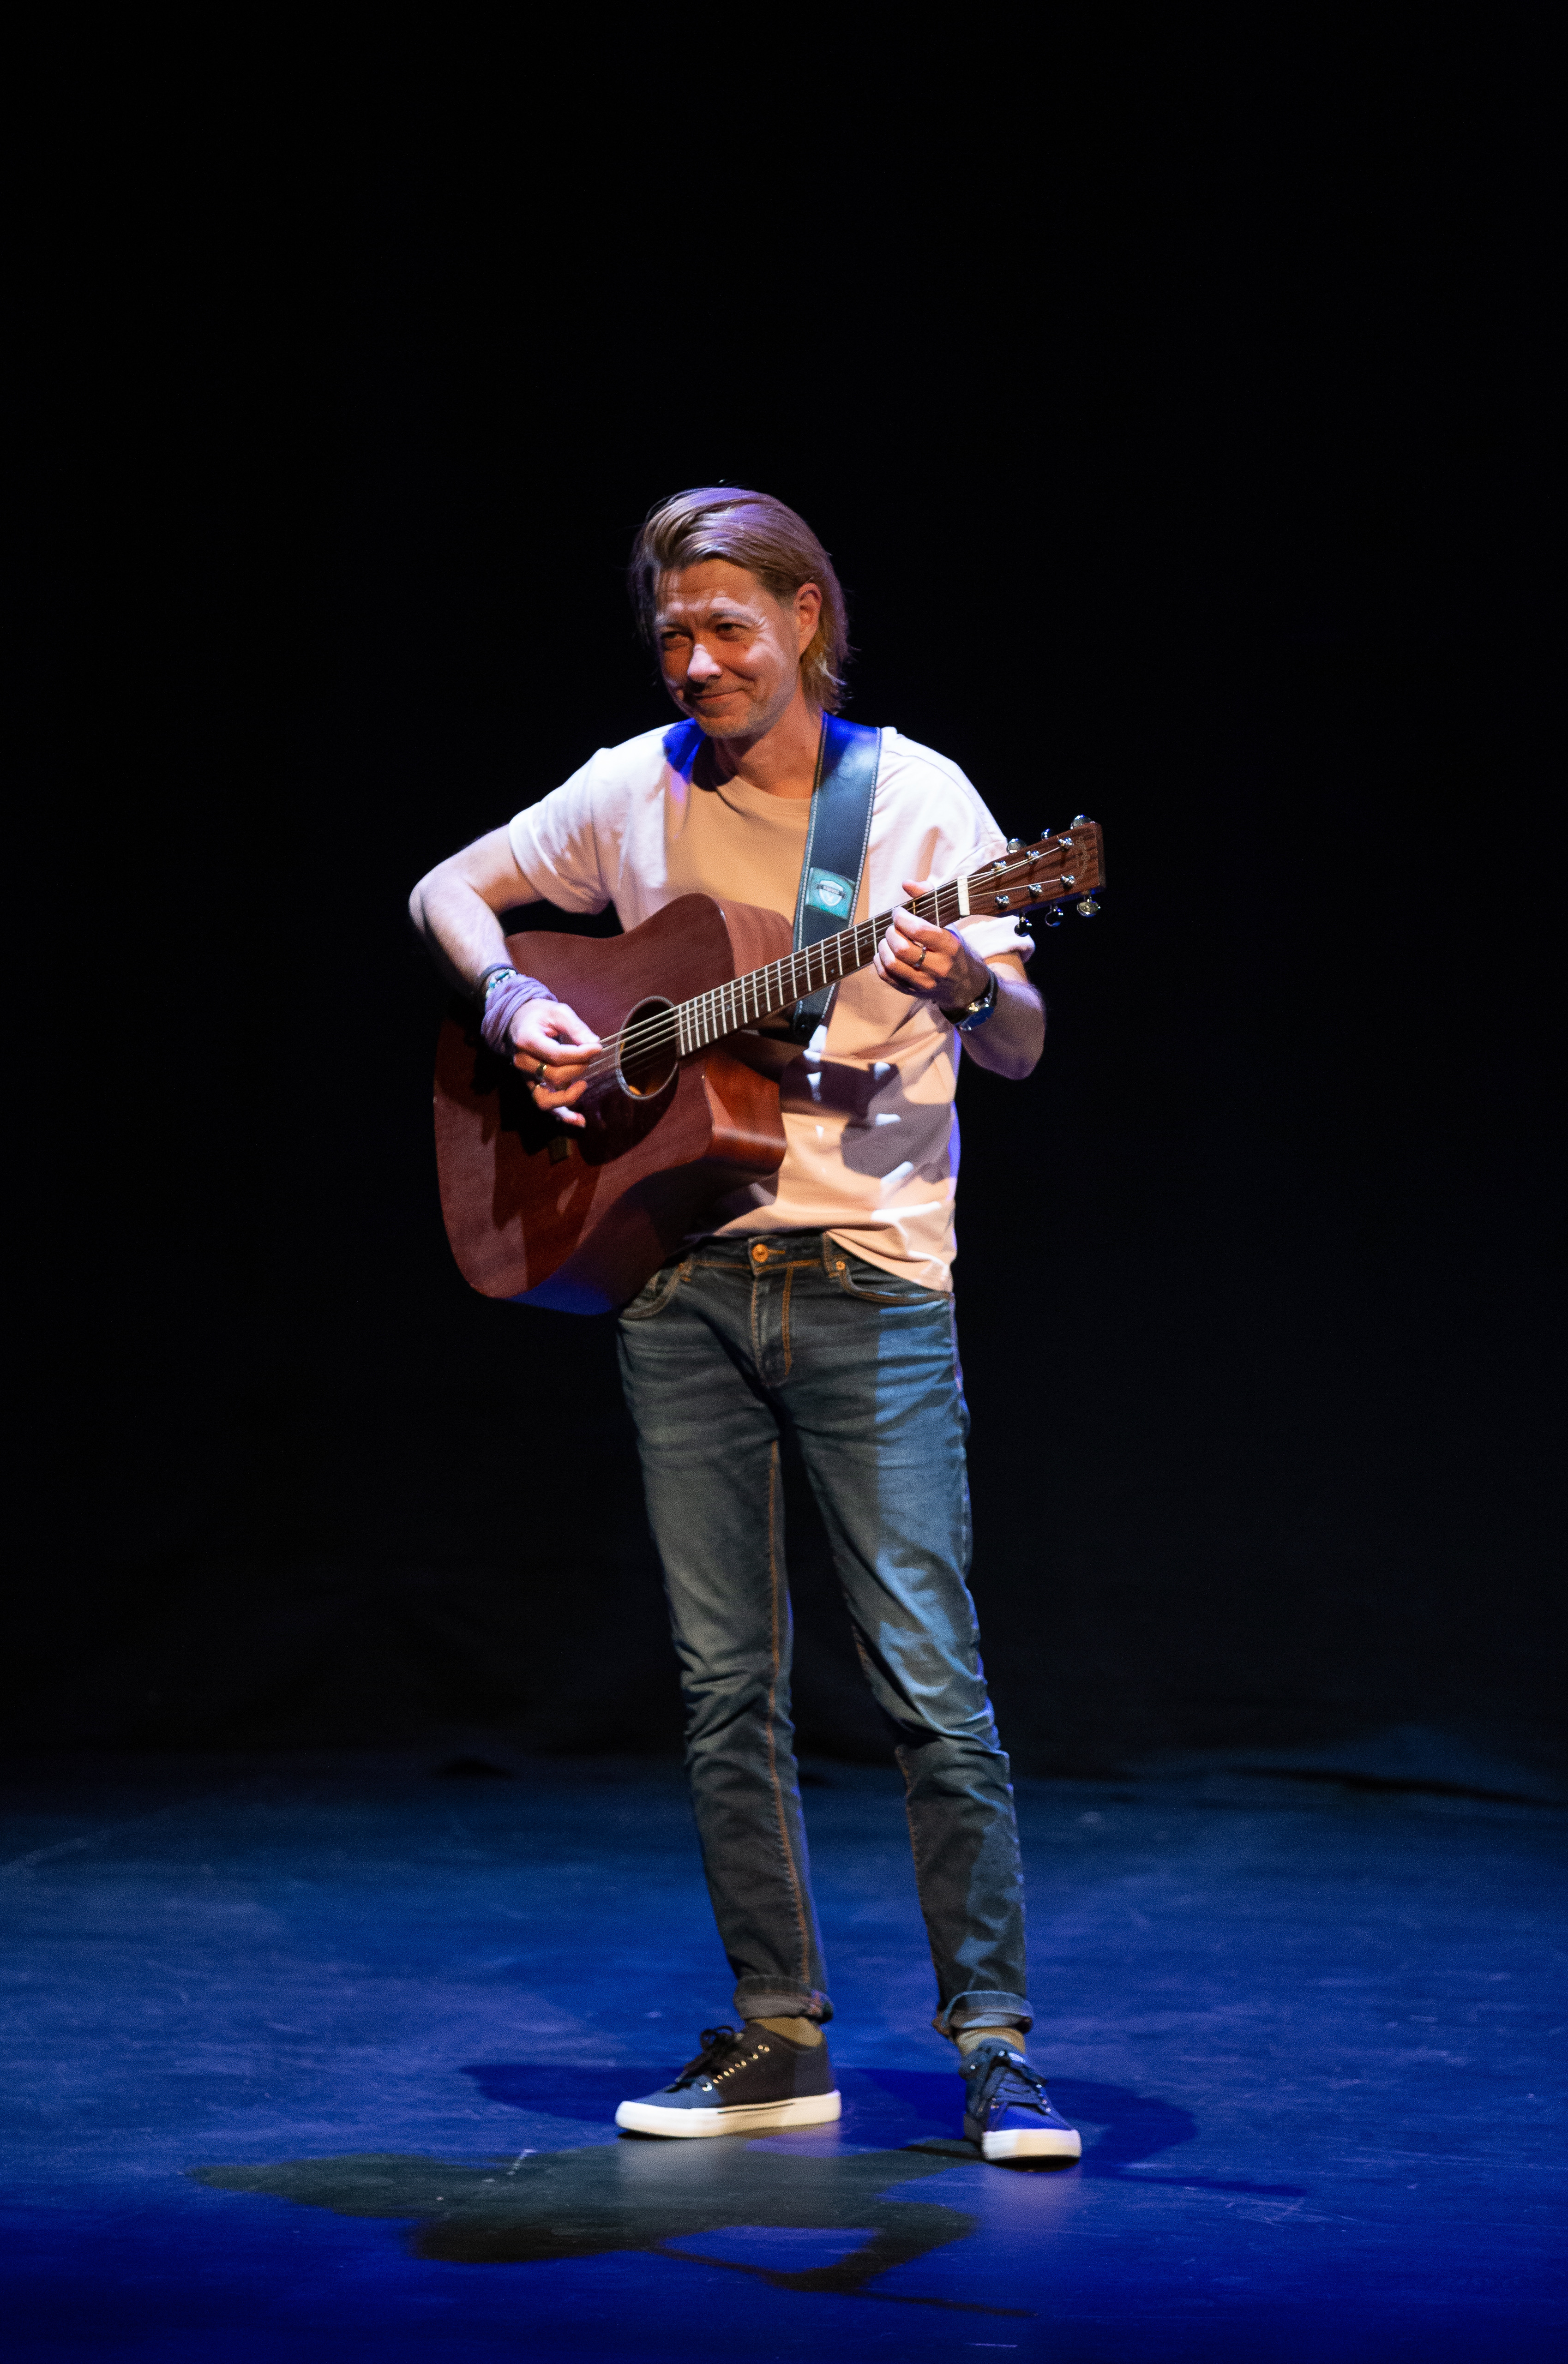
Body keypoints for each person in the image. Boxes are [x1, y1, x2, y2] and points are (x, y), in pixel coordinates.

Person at [409, 487, 1080, 2165]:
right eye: (674, 635)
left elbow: (1019, 1039)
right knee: (726, 1687)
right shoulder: (632, 785)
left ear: (805, 619)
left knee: (928, 1677)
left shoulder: (912, 799)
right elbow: (447, 888)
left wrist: (969, 982)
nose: (698, 661)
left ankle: (996, 2044)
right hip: (677, 1278)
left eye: (728, 627)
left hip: (871, 1279)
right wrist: (517, 994)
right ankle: (780, 2036)